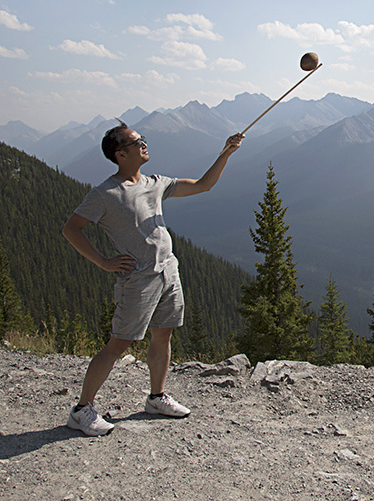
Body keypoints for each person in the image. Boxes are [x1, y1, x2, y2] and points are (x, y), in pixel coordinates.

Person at [62, 123, 243, 436]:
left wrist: (225, 154)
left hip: (167, 271)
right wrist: (104, 262)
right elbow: (71, 228)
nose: (144, 143)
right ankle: (81, 410)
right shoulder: (105, 194)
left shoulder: (156, 182)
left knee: (163, 336)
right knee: (118, 344)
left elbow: (203, 185)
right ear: (121, 154)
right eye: (137, 141)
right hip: (138, 279)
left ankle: (156, 397)